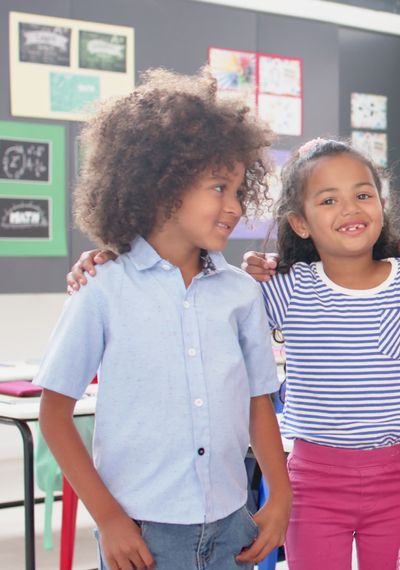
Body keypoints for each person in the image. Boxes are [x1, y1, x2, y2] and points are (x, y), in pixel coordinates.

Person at [36, 68, 290, 570]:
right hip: (141, 535)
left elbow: (259, 402)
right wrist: (108, 518)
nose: (235, 207)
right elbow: (54, 415)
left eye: (240, 191)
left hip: (233, 527)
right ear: (161, 184)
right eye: (220, 187)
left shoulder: (241, 294)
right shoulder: (103, 290)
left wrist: (278, 495)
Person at [259, 139, 400, 569]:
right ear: (301, 223)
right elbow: (216, 314)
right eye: (328, 200)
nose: (350, 209)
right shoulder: (288, 287)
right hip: (313, 480)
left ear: (380, 203)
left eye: (362, 194)